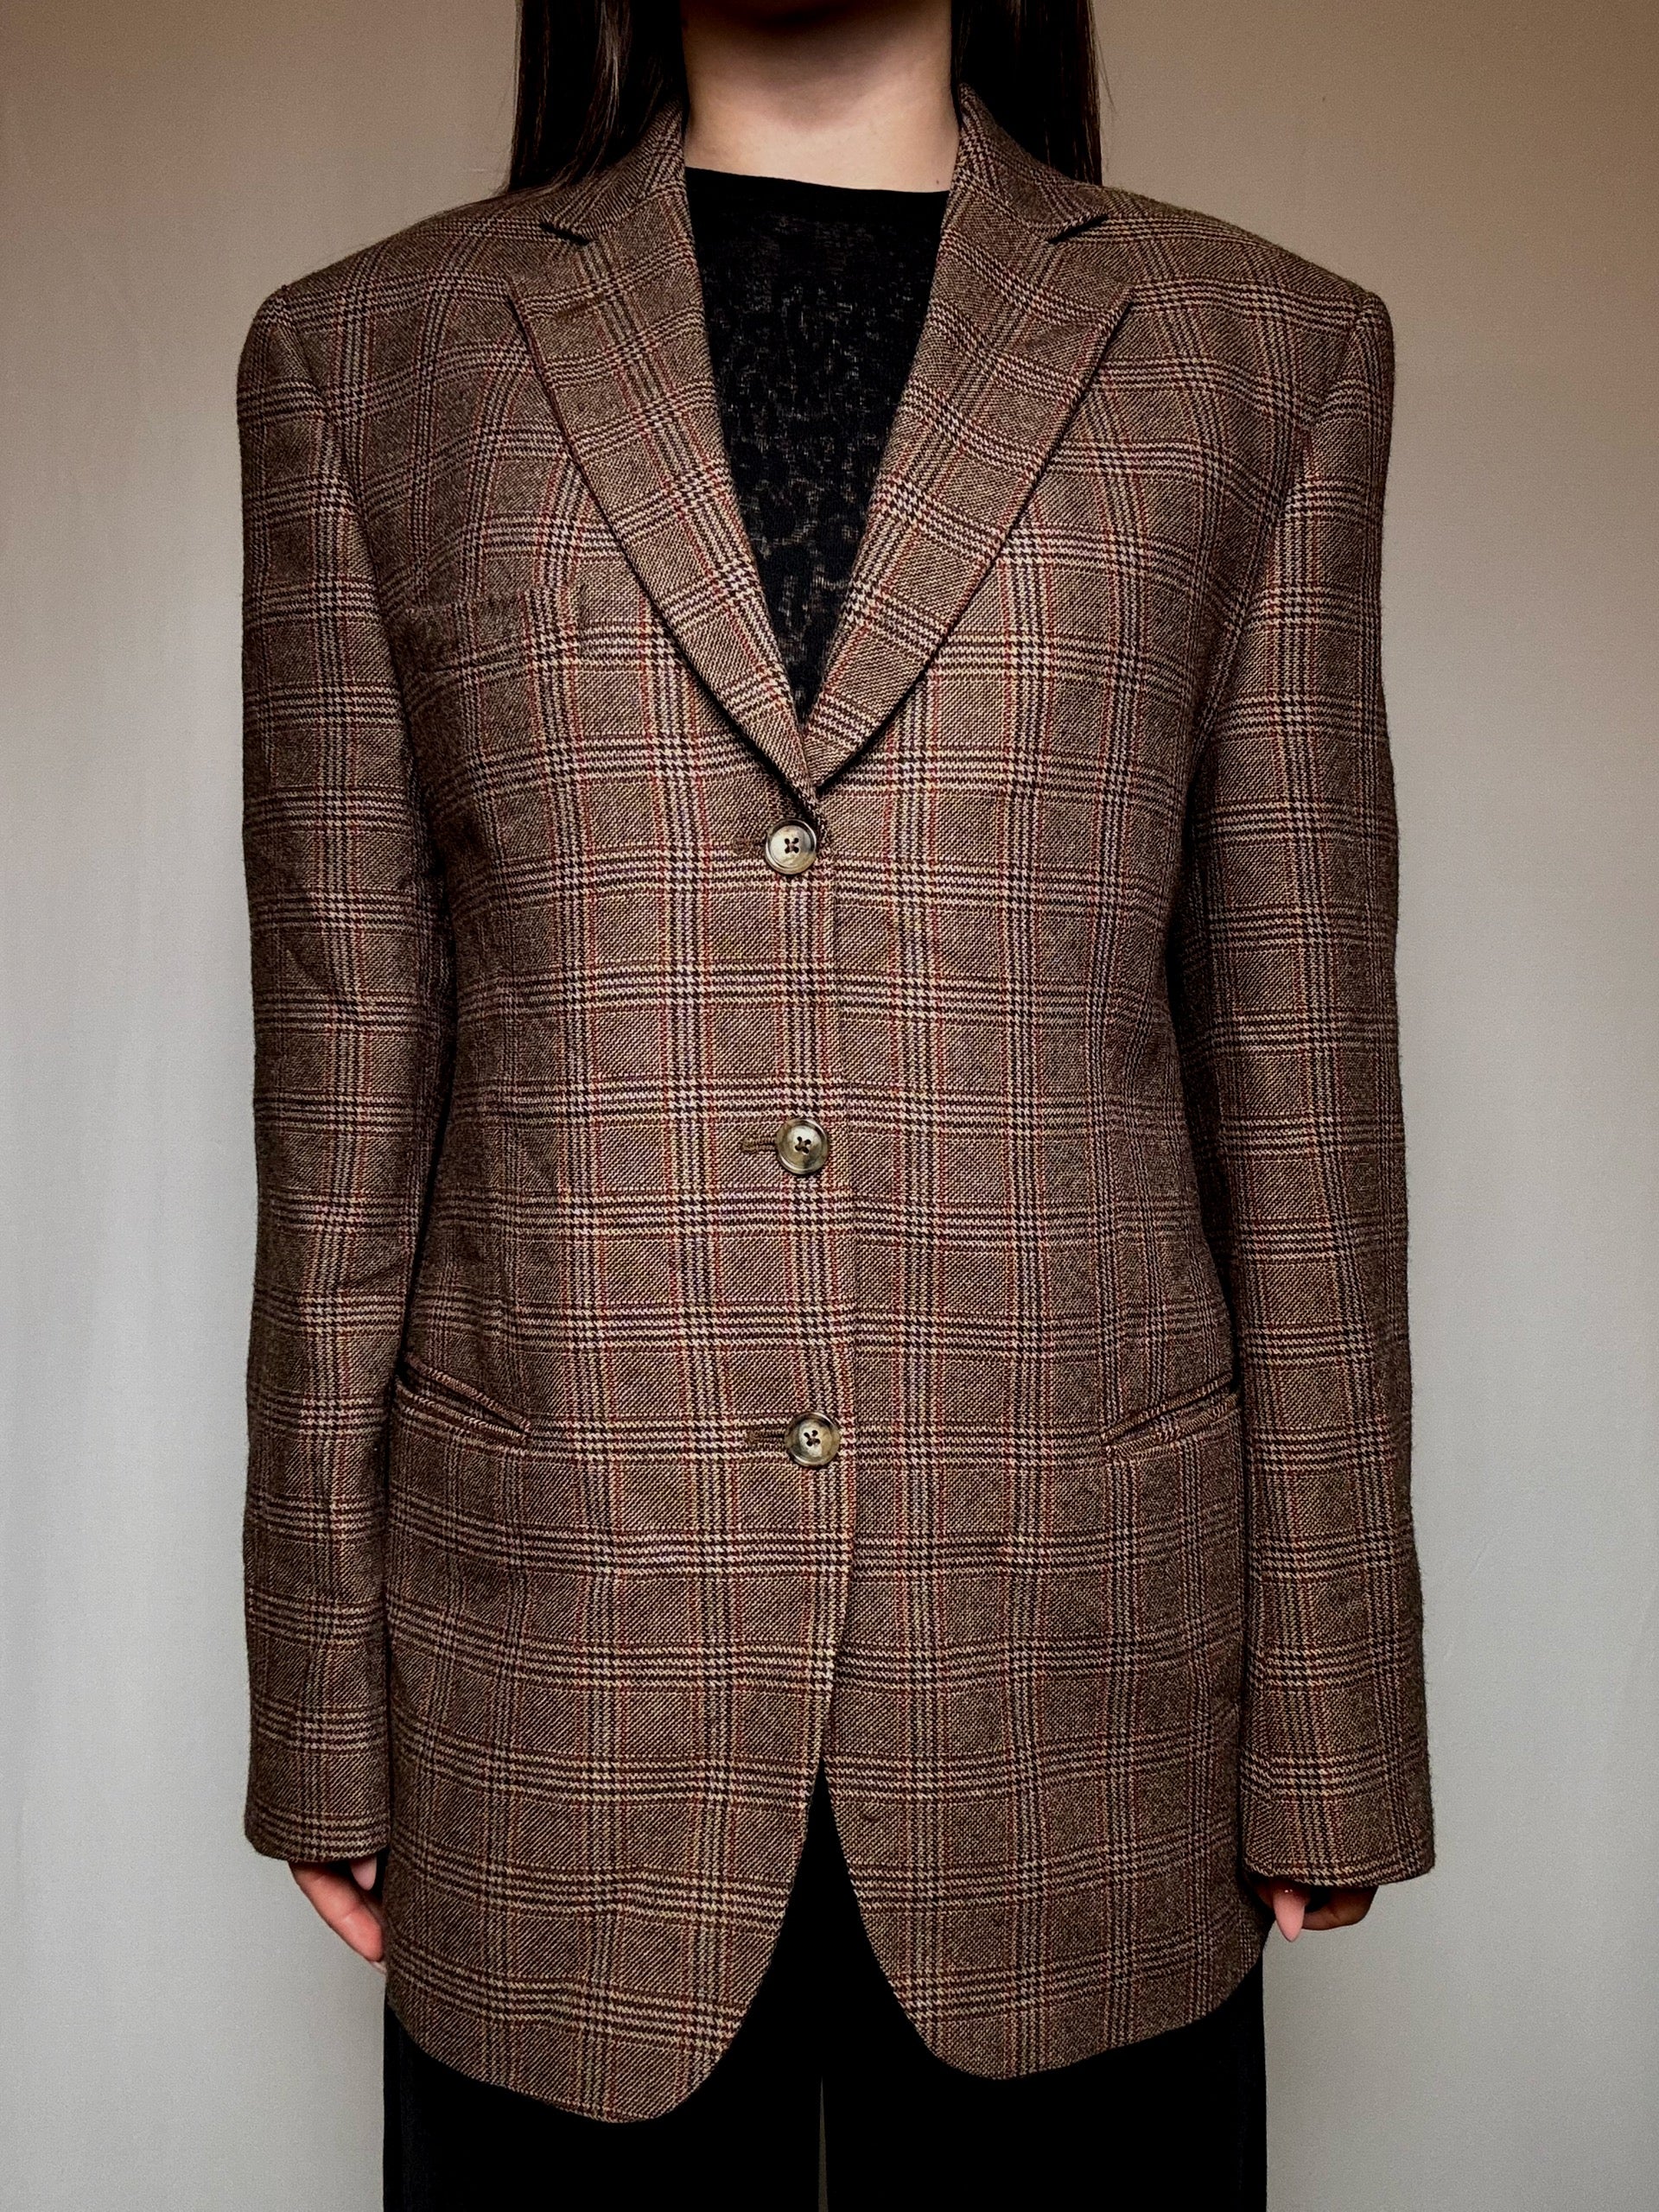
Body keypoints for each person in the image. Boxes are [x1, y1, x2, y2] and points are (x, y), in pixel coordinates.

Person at [237, 1, 1433, 2202]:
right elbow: (340, 1100)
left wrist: (1337, 1712)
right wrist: (321, 1690)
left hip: (1079, 1699)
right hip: (555, 1685)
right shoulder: (371, 361)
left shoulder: (1261, 353)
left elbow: (1307, 1091)